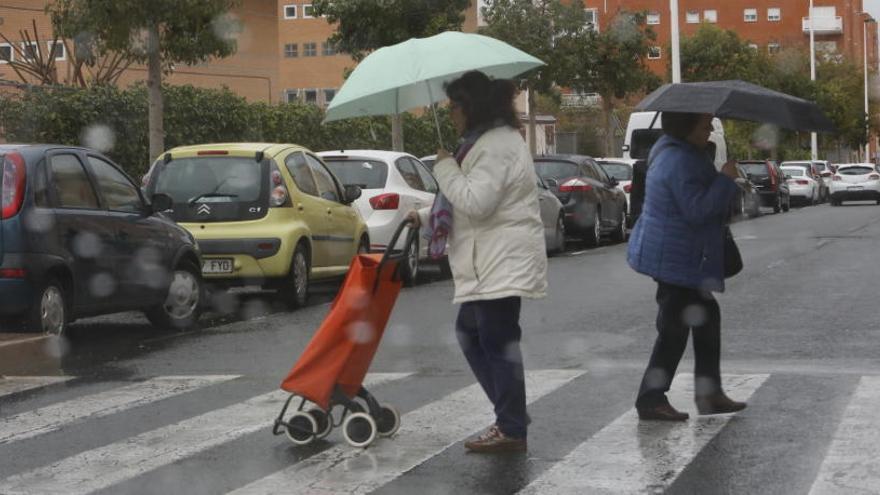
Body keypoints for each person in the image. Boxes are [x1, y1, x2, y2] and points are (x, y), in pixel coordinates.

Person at [407, 71, 547, 452]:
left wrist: (445, 166)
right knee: (473, 333)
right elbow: (463, 200)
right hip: (488, 258)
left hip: (499, 258)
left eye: (454, 106)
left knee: (496, 339)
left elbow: (476, 202)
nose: (450, 114)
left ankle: (511, 424)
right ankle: (511, 412)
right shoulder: (482, 142)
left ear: (472, 107)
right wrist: (423, 215)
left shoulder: (495, 145)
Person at [626, 112, 747, 421]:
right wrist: (725, 180)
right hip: (674, 257)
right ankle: (651, 398)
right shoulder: (679, 161)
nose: (709, 129)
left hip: (677, 254)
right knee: (674, 329)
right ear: (686, 127)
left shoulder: (675, 152)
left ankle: (709, 394)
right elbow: (697, 210)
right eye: (704, 124)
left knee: (705, 319)